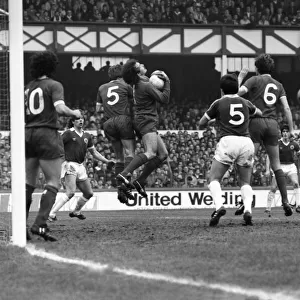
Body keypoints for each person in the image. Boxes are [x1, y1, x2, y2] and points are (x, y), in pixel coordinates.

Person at [25, 51, 82, 241]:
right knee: (53, 182)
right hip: (46, 134)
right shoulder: (53, 85)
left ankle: (21, 226)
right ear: (51, 66)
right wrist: (74, 112)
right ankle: (39, 224)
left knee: (29, 184)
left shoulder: (28, 87)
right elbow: (59, 108)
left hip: (28, 134)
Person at [199, 73, 262, 226]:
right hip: (246, 142)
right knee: (245, 182)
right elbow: (259, 113)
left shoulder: (218, 103)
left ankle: (219, 206)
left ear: (222, 90)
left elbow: (201, 123)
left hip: (228, 141)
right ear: (237, 88)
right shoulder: (246, 102)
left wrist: (216, 120)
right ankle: (248, 210)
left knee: (214, 179)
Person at [237, 54, 294, 217]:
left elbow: (237, 93)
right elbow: (287, 108)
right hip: (273, 124)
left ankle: (245, 203)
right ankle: (285, 202)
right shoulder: (279, 85)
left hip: (255, 122)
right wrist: (290, 130)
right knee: (277, 165)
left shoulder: (254, 80)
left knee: (247, 162)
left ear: (257, 69)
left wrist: (240, 77)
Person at [116, 59, 170, 198]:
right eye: (139, 65)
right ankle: (124, 174)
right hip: (147, 121)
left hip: (142, 120)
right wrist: (167, 81)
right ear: (136, 72)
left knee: (163, 154)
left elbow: (148, 79)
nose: (143, 65)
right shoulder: (145, 85)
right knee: (151, 153)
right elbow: (164, 99)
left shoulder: (139, 82)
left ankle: (139, 181)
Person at [48, 116, 115, 221]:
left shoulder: (87, 136)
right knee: (70, 192)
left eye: (82, 118)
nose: (81, 120)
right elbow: (57, 145)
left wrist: (106, 161)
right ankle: (51, 214)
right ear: (73, 121)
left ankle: (76, 211)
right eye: (78, 119)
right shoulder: (68, 133)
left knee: (89, 193)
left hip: (80, 166)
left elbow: (94, 152)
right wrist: (63, 161)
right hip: (70, 164)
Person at [95, 64, 136, 204]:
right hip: (123, 120)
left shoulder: (101, 88)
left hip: (108, 123)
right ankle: (126, 184)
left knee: (119, 158)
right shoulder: (126, 86)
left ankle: (119, 188)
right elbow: (134, 104)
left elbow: (98, 110)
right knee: (130, 153)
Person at [265, 125, 300, 215]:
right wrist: (267, 169)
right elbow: (269, 156)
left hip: (291, 166)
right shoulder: (277, 143)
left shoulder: (294, 144)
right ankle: (268, 208)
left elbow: (299, 153)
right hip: (279, 167)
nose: (285, 133)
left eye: (286, 131)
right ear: (281, 133)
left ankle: (298, 206)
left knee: (296, 183)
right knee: (273, 187)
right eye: (283, 131)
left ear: (289, 133)